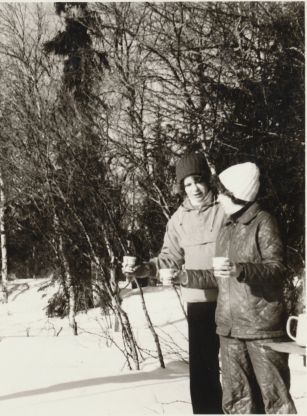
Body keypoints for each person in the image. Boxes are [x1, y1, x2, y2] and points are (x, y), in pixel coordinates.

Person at [172, 162, 297, 414]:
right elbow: (217, 276)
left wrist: (240, 269)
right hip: (229, 329)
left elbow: (278, 269)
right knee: (237, 402)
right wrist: (183, 276)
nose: (217, 196)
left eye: (222, 191)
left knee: (274, 402)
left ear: (236, 195)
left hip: (260, 328)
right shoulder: (227, 228)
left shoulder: (264, 222)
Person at [125, 153, 226, 414]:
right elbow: (169, 258)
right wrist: (144, 269)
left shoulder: (226, 209)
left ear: (208, 180)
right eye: (187, 183)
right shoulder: (178, 218)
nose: (194, 188)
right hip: (199, 303)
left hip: (232, 300)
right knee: (203, 376)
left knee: (238, 372)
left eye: (198, 181)